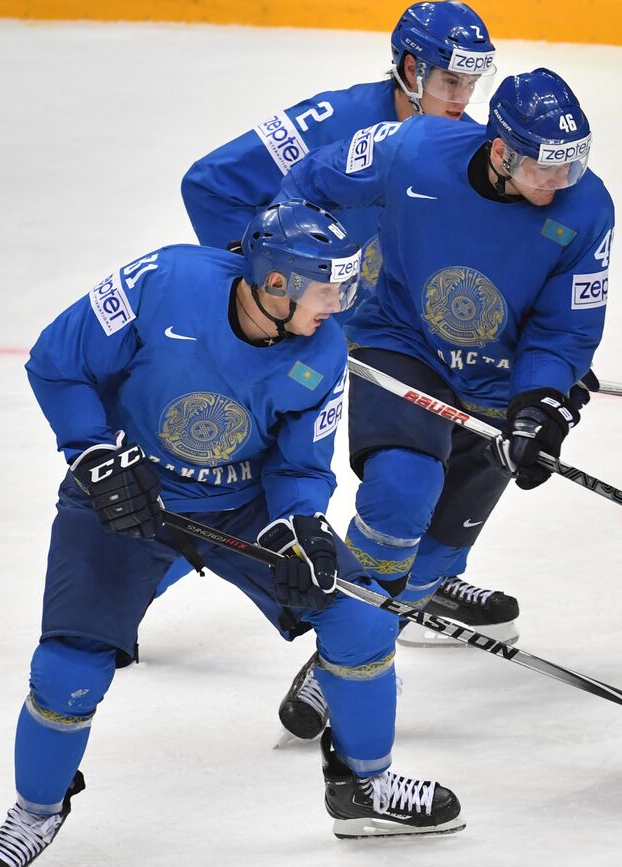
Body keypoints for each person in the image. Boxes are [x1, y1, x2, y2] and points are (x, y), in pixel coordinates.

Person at [0, 201, 464, 867]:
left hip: (243, 508)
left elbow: (300, 466)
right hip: (124, 491)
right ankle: (35, 813)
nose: (338, 304)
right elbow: (57, 362)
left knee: (362, 621)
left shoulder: (322, 350)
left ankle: (363, 786)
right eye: (327, 288)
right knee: (68, 668)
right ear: (275, 283)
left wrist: (300, 527)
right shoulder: (162, 282)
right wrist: (92, 452)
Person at [268, 67, 614, 737]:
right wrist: (291, 269)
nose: (558, 183)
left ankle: (355, 647)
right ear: (500, 151)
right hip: (404, 342)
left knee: (433, 560)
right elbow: (312, 183)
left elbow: (564, 329)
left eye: (571, 166)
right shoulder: (414, 148)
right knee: (402, 489)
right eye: (543, 167)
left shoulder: (587, 207)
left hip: (499, 380)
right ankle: (343, 653)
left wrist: (542, 401)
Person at [178, 2, 522, 650]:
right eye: (451, 81)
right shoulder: (332, 120)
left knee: (467, 436)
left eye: (472, 84)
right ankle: (126, 575)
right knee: (230, 466)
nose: (463, 100)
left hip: (389, 332)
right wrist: (264, 290)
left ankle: (419, 575)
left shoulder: (462, 148)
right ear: (411, 70)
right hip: (302, 321)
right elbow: (211, 185)